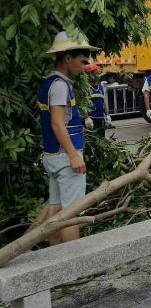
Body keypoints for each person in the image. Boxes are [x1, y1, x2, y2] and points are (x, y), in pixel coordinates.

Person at [38, 31, 100, 245]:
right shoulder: (60, 85)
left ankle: (55, 261)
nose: (84, 67)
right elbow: (57, 123)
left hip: (53, 156)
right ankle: (71, 266)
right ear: (67, 58)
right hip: (66, 158)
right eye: (82, 61)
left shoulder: (49, 82)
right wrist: (74, 156)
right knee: (72, 214)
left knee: (55, 210)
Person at [83, 63, 110, 138]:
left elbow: (103, 102)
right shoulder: (85, 88)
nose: (95, 74)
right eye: (92, 73)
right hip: (91, 119)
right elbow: (82, 104)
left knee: (101, 140)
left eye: (95, 72)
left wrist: (107, 115)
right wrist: (86, 118)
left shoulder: (100, 87)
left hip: (100, 118)